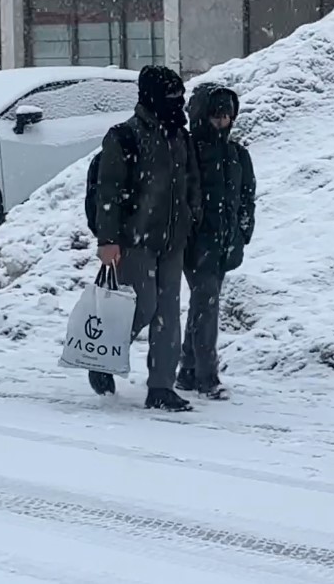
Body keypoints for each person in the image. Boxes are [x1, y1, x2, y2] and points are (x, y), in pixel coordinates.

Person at [89, 65, 201, 412]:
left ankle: (161, 388)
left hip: (173, 240)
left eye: (180, 97)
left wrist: (191, 217)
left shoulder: (180, 137)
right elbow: (109, 190)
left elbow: (191, 183)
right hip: (134, 240)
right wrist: (108, 240)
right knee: (144, 305)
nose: (177, 103)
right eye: (171, 97)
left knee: (169, 313)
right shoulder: (124, 136)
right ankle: (103, 357)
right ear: (151, 97)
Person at [175, 83, 257, 401]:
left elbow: (246, 197)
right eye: (216, 115)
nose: (222, 121)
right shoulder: (188, 151)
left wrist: (242, 232)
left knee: (202, 305)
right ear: (201, 116)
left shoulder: (238, 155)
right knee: (206, 305)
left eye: (227, 115)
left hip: (225, 243)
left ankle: (187, 371)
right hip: (196, 244)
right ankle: (207, 377)